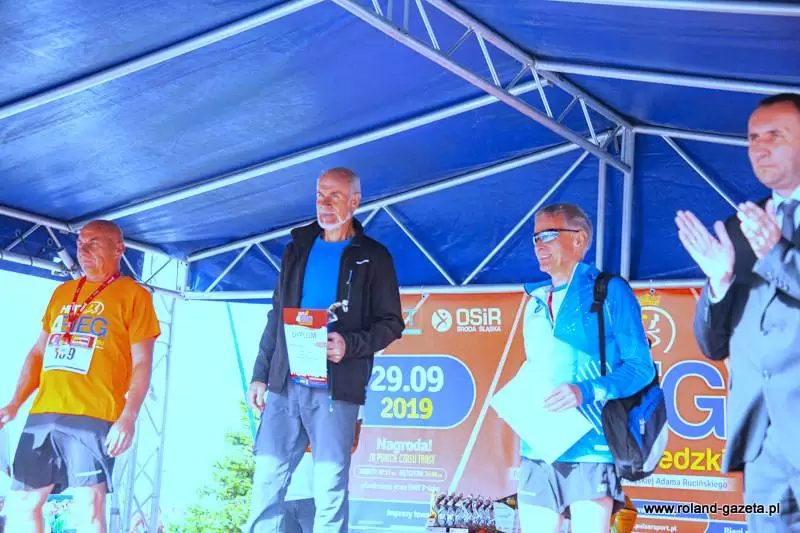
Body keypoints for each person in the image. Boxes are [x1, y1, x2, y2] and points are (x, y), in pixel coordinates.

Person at [243, 167, 404, 533]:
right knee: (266, 481)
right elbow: (276, 315)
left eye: (334, 196)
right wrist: (260, 374)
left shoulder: (374, 256)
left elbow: (391, 323)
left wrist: (350, 344)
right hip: (285, 385)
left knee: (330, 491)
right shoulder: (296, 249)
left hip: (336, 390)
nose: (324, 204)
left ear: (355, 201)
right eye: (319, 195)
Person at [676, 93, 800, 530]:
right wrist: (720, 282)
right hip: (761, 441)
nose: (759, 147)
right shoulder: (740, 228)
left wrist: (778, 255)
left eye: (774, 135)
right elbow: (714, 346)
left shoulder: (764, 236)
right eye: (752, 138)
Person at [0, 220, 161, 533]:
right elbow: (38, 353)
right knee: (23, 503)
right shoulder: (62, 292)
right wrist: (15, 403)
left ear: (119, 248)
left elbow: (142, 362)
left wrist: (128, 416)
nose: (83, 250)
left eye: (93, 243)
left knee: (88, 505)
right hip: (44, 412)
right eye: (80, 243)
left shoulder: (134, 295)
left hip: (95, 413)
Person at [515, 203, 655, 533]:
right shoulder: (535, 301)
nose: (538, 245)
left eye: (548, 235)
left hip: (592, 447)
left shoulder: (609, 290)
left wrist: (585, 391)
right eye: (535, 238)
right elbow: (538, 369)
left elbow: (641, 367)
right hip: (538, 447)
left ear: (579, 239)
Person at [283, 407, 364, 533]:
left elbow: (348, 444)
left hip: (319, 499)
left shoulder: (346, 404)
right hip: (282, 498)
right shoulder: (276, 405)